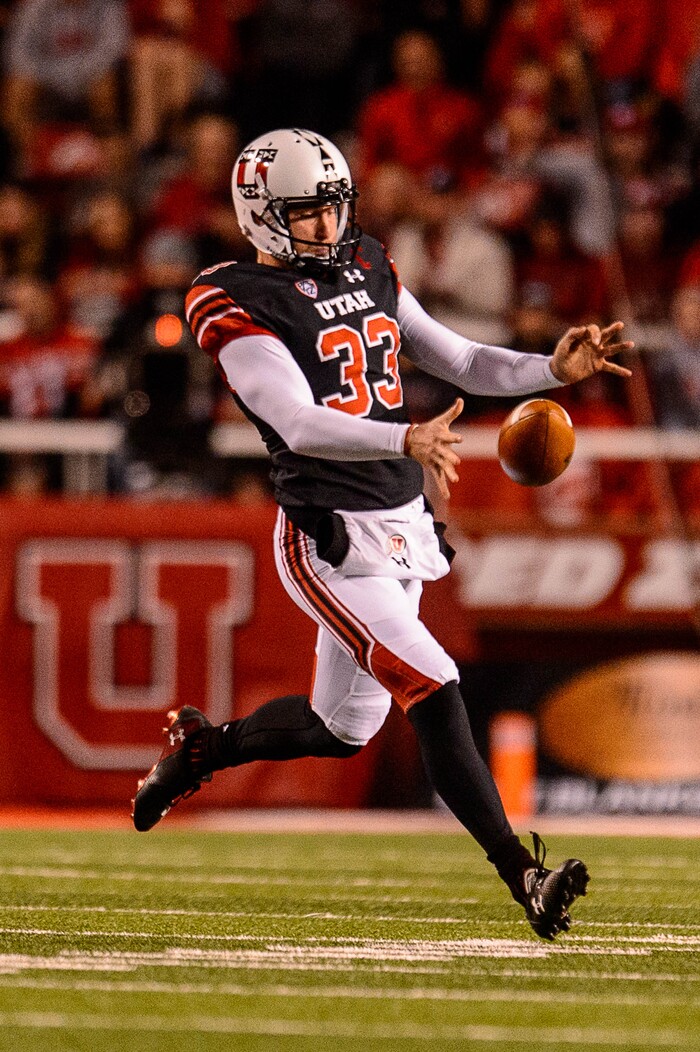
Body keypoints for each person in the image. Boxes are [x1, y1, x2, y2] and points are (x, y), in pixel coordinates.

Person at [132, 128, 633, 941]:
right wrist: (403, 437)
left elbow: (460, 360)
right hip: (327, 535)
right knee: (433, 681)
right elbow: (296, 419)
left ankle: (201, 750)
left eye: (334, 207)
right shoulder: (230, 295)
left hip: (400, 517)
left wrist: (551, 368)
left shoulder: (367, 262)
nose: (327, 225)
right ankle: (525, 875)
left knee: (341, 729)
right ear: (260, 215)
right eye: (306, 211)